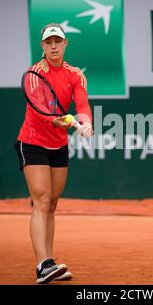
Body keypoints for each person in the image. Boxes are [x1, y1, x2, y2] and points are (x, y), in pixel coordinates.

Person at [15, 23, 94, 283]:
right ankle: (42, 264)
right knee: (42, 200)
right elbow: (41, 111)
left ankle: (49, 264)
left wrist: (86, 121)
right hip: (33, 142)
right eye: (48, 42)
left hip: (58, 146)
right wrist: (58, 121)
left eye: (57, 41)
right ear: (42, 46)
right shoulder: (34, 74)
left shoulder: (75, 74)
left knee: (53, 203)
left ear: (65, 43)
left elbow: (81, 103)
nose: (53, 46)